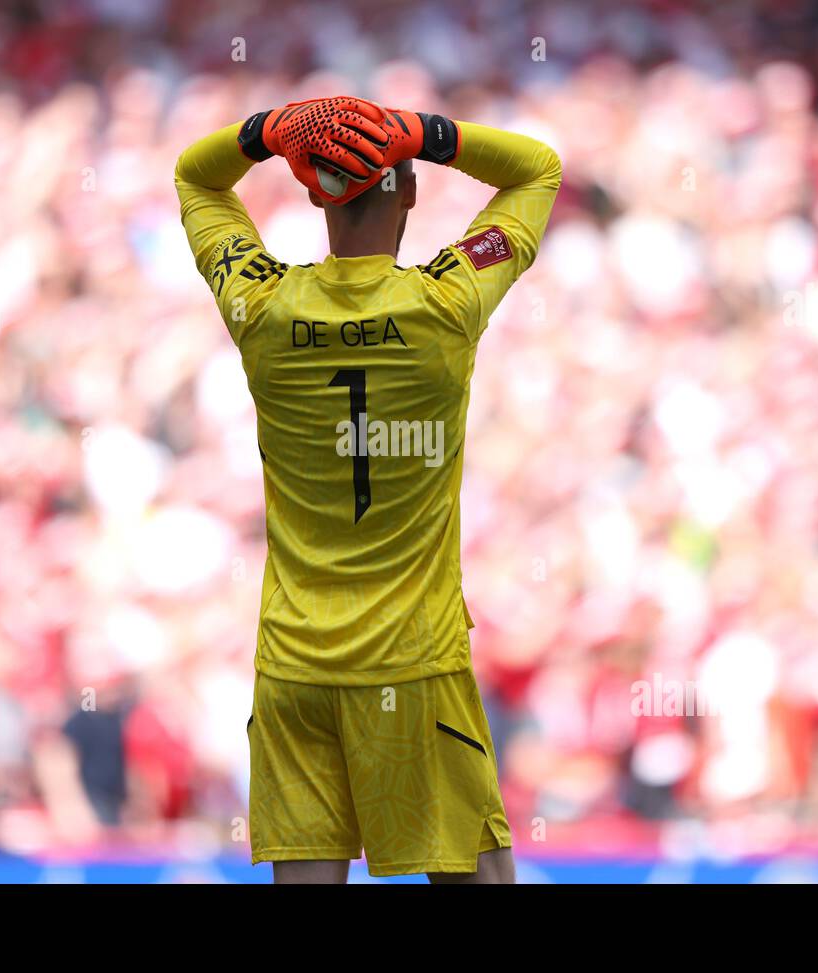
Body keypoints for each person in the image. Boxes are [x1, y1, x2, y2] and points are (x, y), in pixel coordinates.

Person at [175, 97, 560, 883]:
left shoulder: (263, 306)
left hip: (294, 665)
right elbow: (537, 171)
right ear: (411, 192)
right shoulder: (444, 305)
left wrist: (261, 132)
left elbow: (196, 179)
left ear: (313, 193)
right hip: (412, 663)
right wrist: (428, 133)